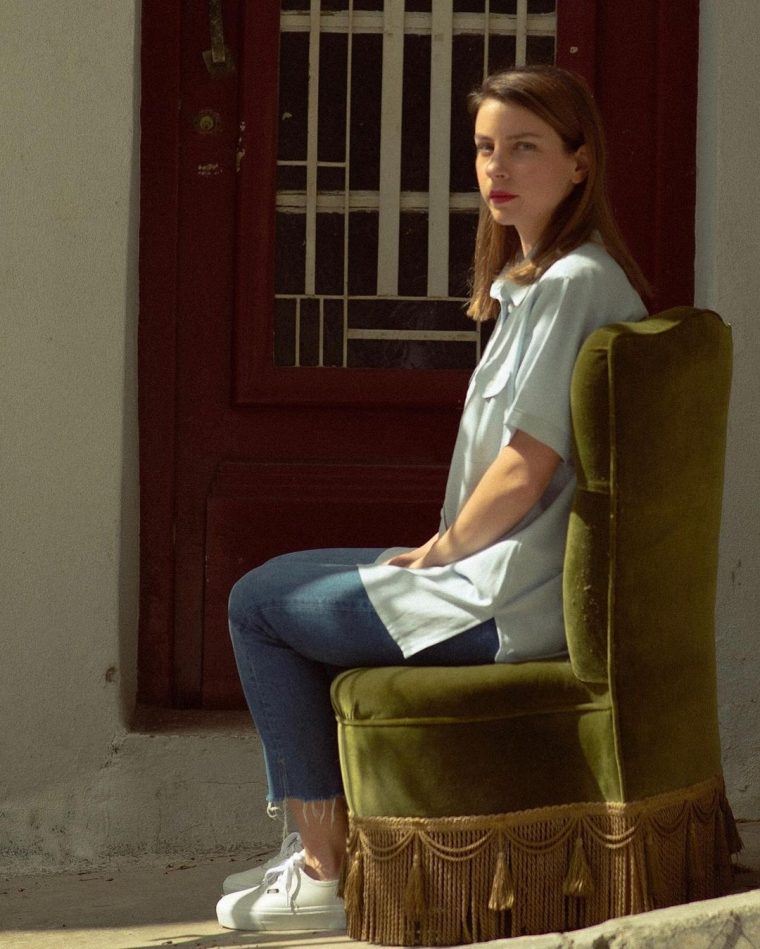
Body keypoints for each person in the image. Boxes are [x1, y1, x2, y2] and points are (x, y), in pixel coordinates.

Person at [216, 64, 649, 932]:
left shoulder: (574, 284)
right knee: (279, 585)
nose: (497, 168)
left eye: (525, 147)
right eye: (486, 148)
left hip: (506, 598)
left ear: (580, 163)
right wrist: (437, 552)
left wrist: (440, 552)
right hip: (495, 579)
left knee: (258, 604)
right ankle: (329, 851)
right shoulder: (541, 280)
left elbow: (526, 467)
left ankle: (323, 867)